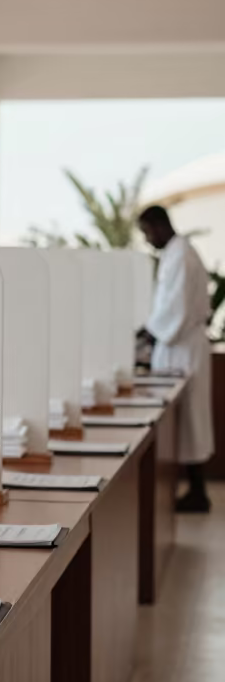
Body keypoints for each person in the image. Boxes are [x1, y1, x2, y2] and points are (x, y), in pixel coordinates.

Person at [138, 204, 214, 513]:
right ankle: (192, 490)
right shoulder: (175, 253)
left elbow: (177, 308)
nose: (146, 240)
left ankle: (198, 492)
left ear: (157, 226)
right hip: (179, 343)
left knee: (190, 422)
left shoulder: (181, 255)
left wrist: (151, 333)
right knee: (184, 424)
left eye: (145, 232)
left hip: (183, 345)